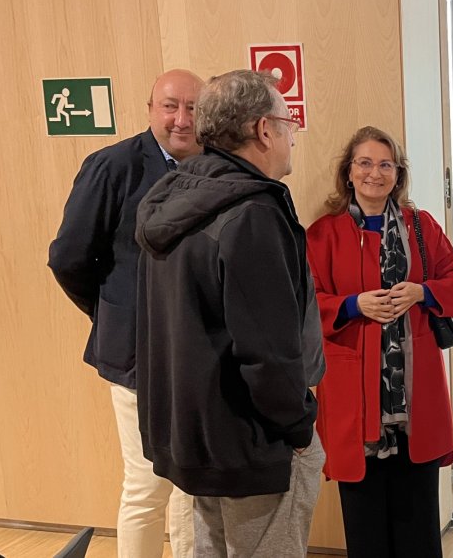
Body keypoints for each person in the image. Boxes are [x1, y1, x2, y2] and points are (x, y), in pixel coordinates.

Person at [134, 70, 324, 558]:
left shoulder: (174, 196)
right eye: (289, 122)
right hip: (250, 440)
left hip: (191, 435)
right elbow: (268, 351)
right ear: (264, 130)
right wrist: (299, 427)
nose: (292, 136)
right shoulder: (251, 215)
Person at [48, 69, 202, 558]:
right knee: (146, 486)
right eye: (170, 106)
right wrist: (113, 312)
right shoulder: (112, 166)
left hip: (196, 352)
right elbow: (69, 256)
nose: (181, 119)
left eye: (193, 108)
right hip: (138, 352)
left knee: (191, 485)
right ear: (150, 108)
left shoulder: (212, 168)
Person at [306, 126, 453, 557]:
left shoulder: (421, 226)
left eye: (385, 164)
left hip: (413, 401)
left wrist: (423, 291)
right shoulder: (324, 234)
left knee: (418, 525)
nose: (374, 173)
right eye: (364, 162)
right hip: (353, 399)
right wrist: (351, 305)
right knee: (365, 530)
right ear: (348, 172)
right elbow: (304, 302)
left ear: (398, 175)